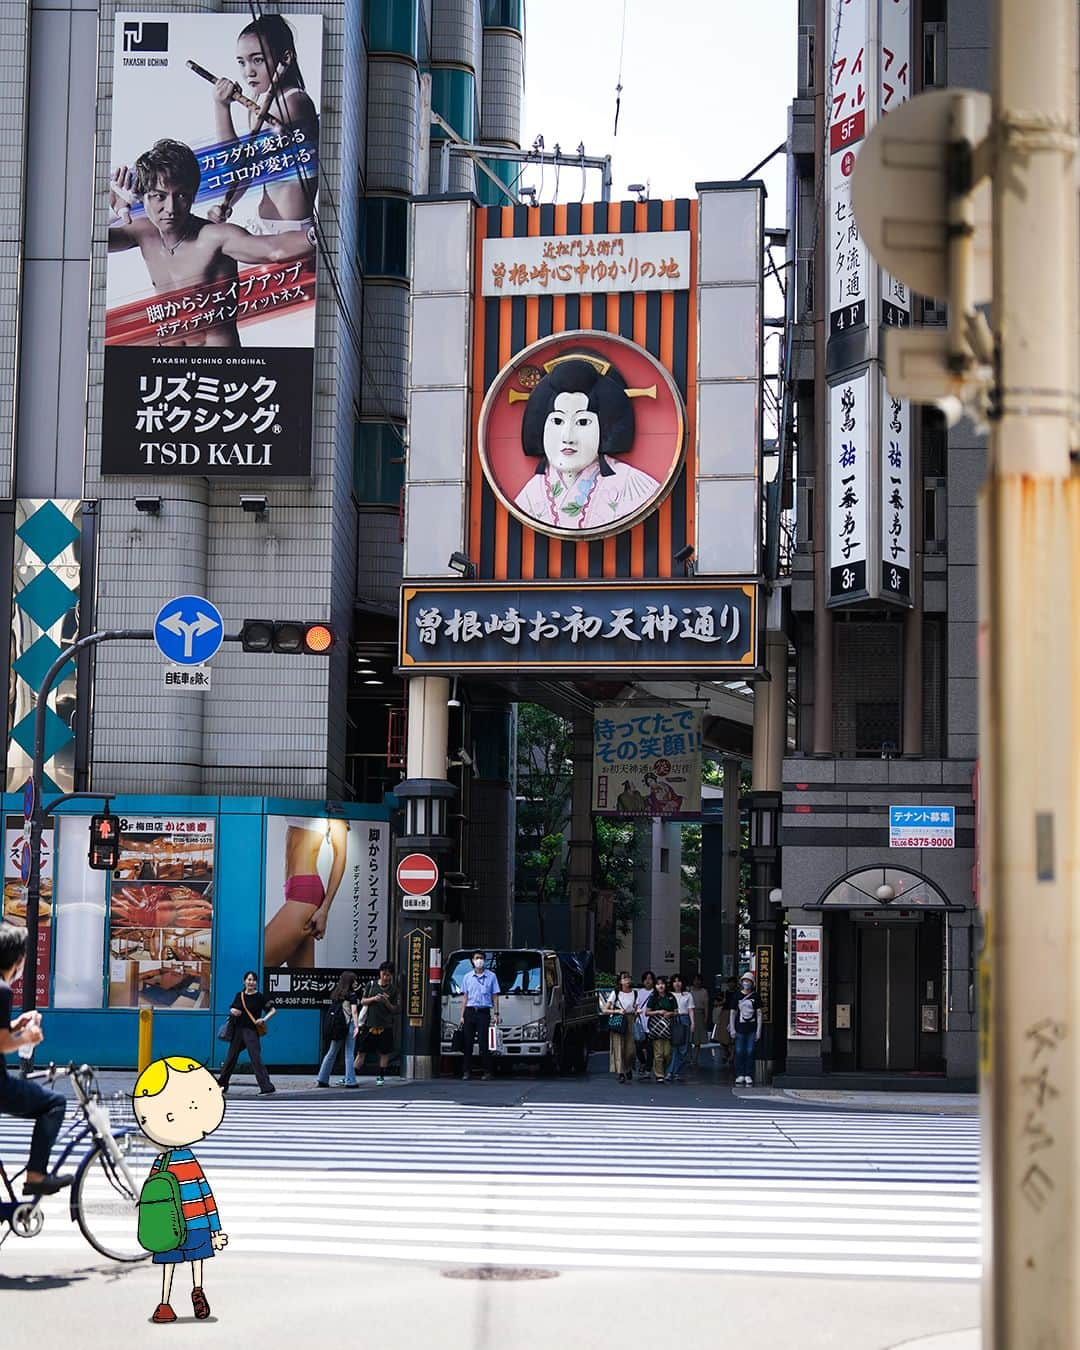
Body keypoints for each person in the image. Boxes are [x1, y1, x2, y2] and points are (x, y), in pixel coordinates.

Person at [108, 138, 316, 348]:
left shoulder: (214, 237)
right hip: (167, 362)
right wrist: (111, 211)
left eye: (181, 195)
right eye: (159, 197)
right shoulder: (144, 232)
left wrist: (317, 235)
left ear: (193, 196)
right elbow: (90, 243)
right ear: (142, 197)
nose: (170, 208)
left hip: (216, 364)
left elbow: (274, 250)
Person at [514, 356, 661, 531]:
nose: (568, 437)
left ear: (605, 425)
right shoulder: (531, 494)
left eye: (583, 422)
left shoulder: (633, 485)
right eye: (558, 421)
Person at [132, 1057, 227, 1323]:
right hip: (195, 1222)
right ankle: (197, 1291)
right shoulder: (189, 1161)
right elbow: (205, 1194)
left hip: (170, 1226)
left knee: (169, 1265)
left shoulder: (160, 1163)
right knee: (196, 1261)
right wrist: (215, 1229)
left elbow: (147, 1200)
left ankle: (165, 1303)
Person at [207, 15, 319, 234]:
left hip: (291, 232)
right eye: (242, 62)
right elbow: (246, 173)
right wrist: (226, 203)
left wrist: (221, 108)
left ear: (285, 58)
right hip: (264, 227)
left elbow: (238, 162)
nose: (248, 71)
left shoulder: (294, 102)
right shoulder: (259, 104)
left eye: (257, 60)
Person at [0, 922, 71, 1195]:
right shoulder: (3, 991)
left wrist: (17, 1024)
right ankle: (36, 1176)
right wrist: (28, 1037)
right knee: (54, 1103)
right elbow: (2, 1042)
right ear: (17, 959)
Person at [264, 818, 348, 969]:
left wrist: (324, 910)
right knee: (301, 979)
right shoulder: (303, 799)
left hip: (306, 892)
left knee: (259, 961)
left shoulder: (334, 806)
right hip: (294, 890)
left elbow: (340, 856)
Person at [218, 970, 277, 1094]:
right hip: (238, 1030)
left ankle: (266, 1087)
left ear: (256, 982)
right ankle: (222, 1084)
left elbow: (272, 1010)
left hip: (251, 1031)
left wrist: (263, 1019)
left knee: (256, 1058)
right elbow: (232, 1007)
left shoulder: (259, 997)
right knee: (230, 1058)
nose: (251, 982)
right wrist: (233, 1011)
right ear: (244, 981)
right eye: (249, 979)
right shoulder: (239, 995)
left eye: (253, 980)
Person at [355, 961, 400, 1086]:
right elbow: (363, 1001)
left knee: (384, 1052)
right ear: (380, 973)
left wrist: (386, 1003)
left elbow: (396, 1009)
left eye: (388, 975)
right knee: (361, 1051)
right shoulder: (371, 985)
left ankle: (381, 1076)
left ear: (391, 976)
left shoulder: (393, 989)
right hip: (369, 1025)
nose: (385, 977)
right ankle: (352, 1075)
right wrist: (374, 999)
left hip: (386, 1025)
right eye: (384, 974)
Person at [460, 951, 500, 1081]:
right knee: (468, 1043)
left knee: (484, 1043)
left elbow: (495, 996)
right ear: (472, 960)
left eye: (481, 958)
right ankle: (466, 1072)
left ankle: (487, 1071)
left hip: (483, 1012)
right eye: (477, 958)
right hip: (470, 1011)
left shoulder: (491, 976)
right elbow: (465, 997)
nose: (479, 960)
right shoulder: (467, 977)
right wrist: (462, 1015)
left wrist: (496, 1013)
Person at [315, 970, 359, 1089]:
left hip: (337, 1026)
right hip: (348, 1025)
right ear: (350, 982)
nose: (356, 982)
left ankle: (322, 1078)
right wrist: (357, 1026)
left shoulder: (336, 994)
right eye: (354, 980)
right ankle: (350, 1081)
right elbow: (354, 1012)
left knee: (331, 1052)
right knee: (349, 1053)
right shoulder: (352, 995)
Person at [602, 971, 637, 1083]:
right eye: (624, 978)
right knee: (618, 1047)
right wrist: (617, 1010)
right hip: (619, 1020)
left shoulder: (635, 993)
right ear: (620, 981)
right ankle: (621, 1072)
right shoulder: (616, 993)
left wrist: (638, 1011)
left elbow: (637, 1007)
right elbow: (605, 1010)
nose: (627, 980)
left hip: (631, 1019)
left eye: (628, 978)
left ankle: (628, 1067)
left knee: (630, 1049)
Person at [729, 973, 763, 1086]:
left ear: (752, 983)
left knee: (750, 1052)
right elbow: (733, 1012)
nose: (746, 983)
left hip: (752, 1029)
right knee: (739, 1052)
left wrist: (758, 1030)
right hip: (739, 1028)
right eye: (744, 981)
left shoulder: (756, 996)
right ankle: (740, 1074)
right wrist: (732, 1028)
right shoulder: (736, 996)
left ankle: (748, 1074)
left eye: (748, 981)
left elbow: (759, 1014)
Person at [646, 975, 677, 1083]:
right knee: (658, 1053)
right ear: (655, 986)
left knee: (667, 1053)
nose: (661, 986)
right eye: (658, 984)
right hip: (656, 1028)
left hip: (668, 1027)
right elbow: (647, 1012)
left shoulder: (671, 997)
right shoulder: (653, 997)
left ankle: (664, 1070)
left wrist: (670, 1013)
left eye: (662, 984)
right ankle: (659, 1074)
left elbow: (677, 1011)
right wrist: (658, 1012)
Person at [668, 972, 695, 1083]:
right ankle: (671, 1072)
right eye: (675, 981)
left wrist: (693, 1023)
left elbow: (690, 1010)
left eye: (679, 981)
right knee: (674, 1047)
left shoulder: (687, 995)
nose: (677, 983)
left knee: (684, 1048)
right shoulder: (669, 995)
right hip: (672, 1019)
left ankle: (678, 1071)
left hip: (684, 1019)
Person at [633, 970, 655, 1079]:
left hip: (652, 1024)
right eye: (646, 979)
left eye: (650, 978)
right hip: (641, 1024)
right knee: (638, 1046)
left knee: (650, 1048)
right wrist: (637, 1011)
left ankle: (648, 1069)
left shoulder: (655, 992)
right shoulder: (640, 992)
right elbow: (636, 1005)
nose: (648, 981)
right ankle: (643, 1062)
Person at [689, 973, 709, 1071]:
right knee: (689, 1038)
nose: (697, 982)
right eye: (695, 980)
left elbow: (706, 1005)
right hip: (689, 1014)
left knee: (697, 1039)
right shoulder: (689, 991)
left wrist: (706, 1017)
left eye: (699, 980)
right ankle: (689, 1057)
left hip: (699, 1014)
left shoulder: (704, 991)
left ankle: (695, 1058)